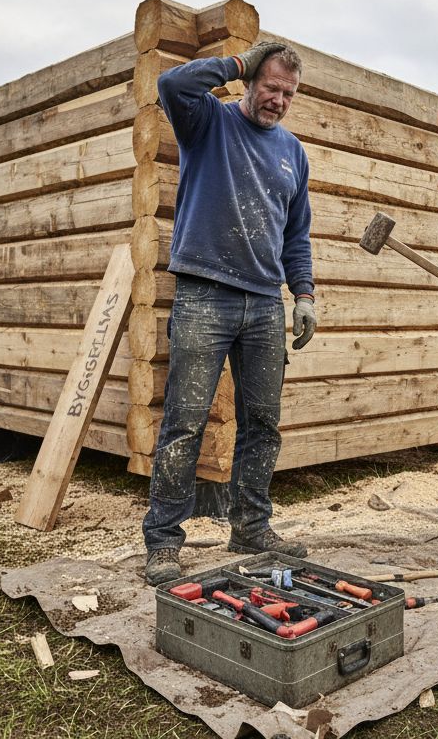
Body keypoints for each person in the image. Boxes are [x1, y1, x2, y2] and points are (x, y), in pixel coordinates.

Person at [142, 42, 316, 585]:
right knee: (184, 422)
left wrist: (304, 294)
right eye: (270, 87)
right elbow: (171, 84)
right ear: (248, 82)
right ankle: (165, 542)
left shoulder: (293, 152)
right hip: (204, 295)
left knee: (262, 424)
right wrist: (239, 60)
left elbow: (297, 234)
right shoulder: (207, 122)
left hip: (265, 304)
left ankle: (250, 527)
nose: (279, 100)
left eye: (288, 93)